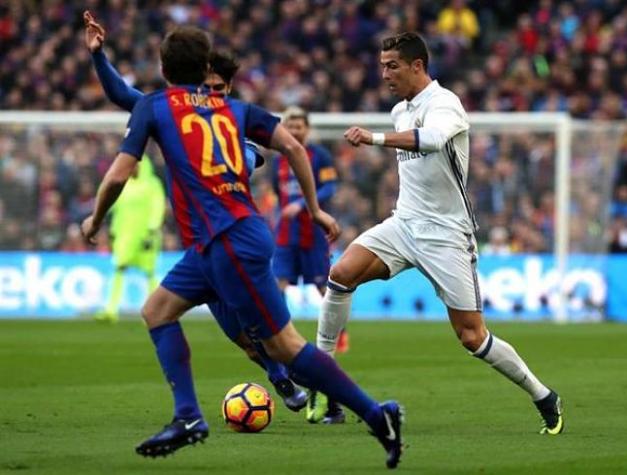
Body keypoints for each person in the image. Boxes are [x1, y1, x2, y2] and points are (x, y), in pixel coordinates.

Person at [80, 26, 403, 468]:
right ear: (205, 69)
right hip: (214, 244)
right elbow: (292, 146)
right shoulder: (234, 109)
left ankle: (375, 415)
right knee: (157, 311)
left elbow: (118, 172)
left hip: (228, 239)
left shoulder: (156, 106)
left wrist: (95, 219)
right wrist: (314, 208)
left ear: (163, 69)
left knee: (286, 346)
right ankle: (189, 417)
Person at [316, 32, 563, 436]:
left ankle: (543, 395)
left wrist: (374, 138)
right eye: (381, 66)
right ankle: (322, 379)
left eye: (392, 65)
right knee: (341, 274)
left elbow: (431, 140)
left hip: (447, 235)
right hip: (404, 223)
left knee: (471, 336)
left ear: (417, 66)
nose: (384, 74)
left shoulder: (446, 104)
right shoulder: (400, 110)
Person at [83, 11, 306, 412]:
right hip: (203, 242)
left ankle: (313, 385)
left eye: (219, 87)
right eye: (207, 85)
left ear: (229, 87)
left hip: (236, 237)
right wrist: (99, 56)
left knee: (270, 333)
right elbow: (122, 96)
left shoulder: (236, 124)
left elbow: (258, 157)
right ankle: (281, 379)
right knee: (240, 335)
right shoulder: (173, 109)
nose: (211, 92)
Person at [270, 106, 347, 424]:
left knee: (325, 287)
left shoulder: (321, 157)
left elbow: (330, 187)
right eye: (290, 124)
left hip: (314, 236)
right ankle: (279, 334)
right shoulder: (279, 161)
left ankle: (337, 336)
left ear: (308, 128)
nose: (296, 129)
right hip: (286, 237)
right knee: (276, 289)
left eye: (300, 125)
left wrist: (303, 205)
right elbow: (278, 193)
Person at [95, 156, 165, 322]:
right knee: (119, 269)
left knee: (149, 273)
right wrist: (112, 231)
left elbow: (158, 206)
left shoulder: (152, 184)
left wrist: (152, 230)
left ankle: (154, 312)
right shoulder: (123, 185)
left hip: (145, 237)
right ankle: (111, 311)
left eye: (135, 165)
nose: (132, 168)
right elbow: (116, 209)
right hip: (124, 237)